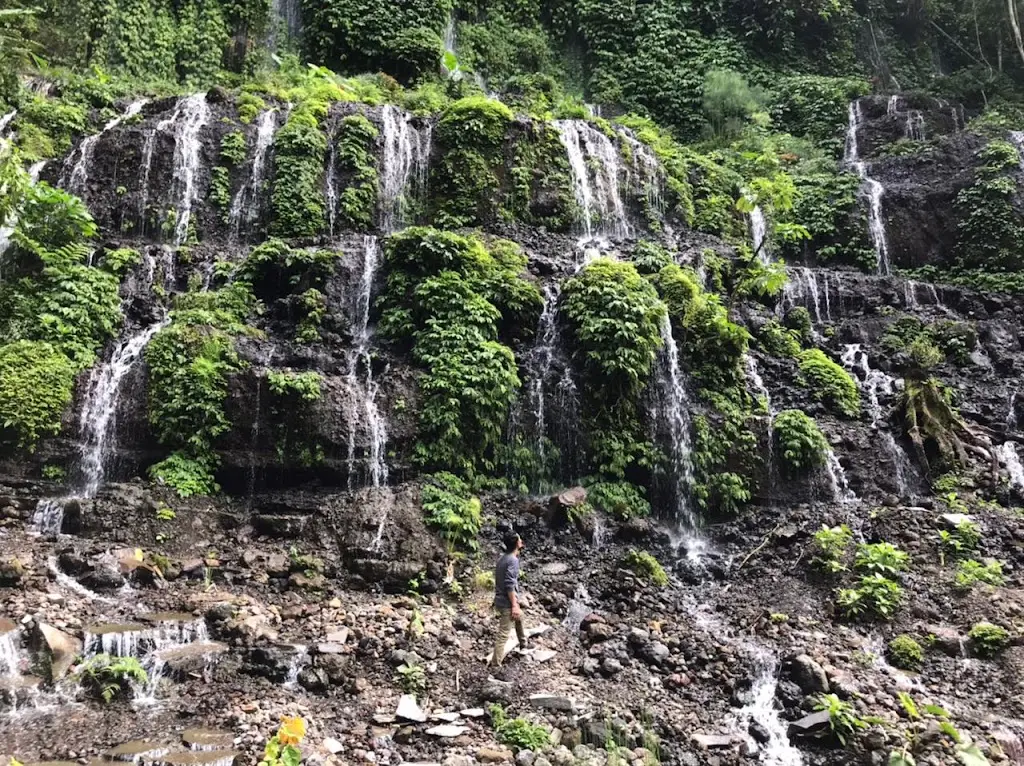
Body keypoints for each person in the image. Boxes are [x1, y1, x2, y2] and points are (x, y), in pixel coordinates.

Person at [491, 531, 527, 667]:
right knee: (504, 634)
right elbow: (509, 584)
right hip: (506, 602)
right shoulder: (513, 560)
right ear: (517, 543)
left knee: (520, 618)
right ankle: (495, 664)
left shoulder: (502, 558)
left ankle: (523, 645)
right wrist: (514, 605)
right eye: (519, 538)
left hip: (499, 599)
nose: (521, 539)